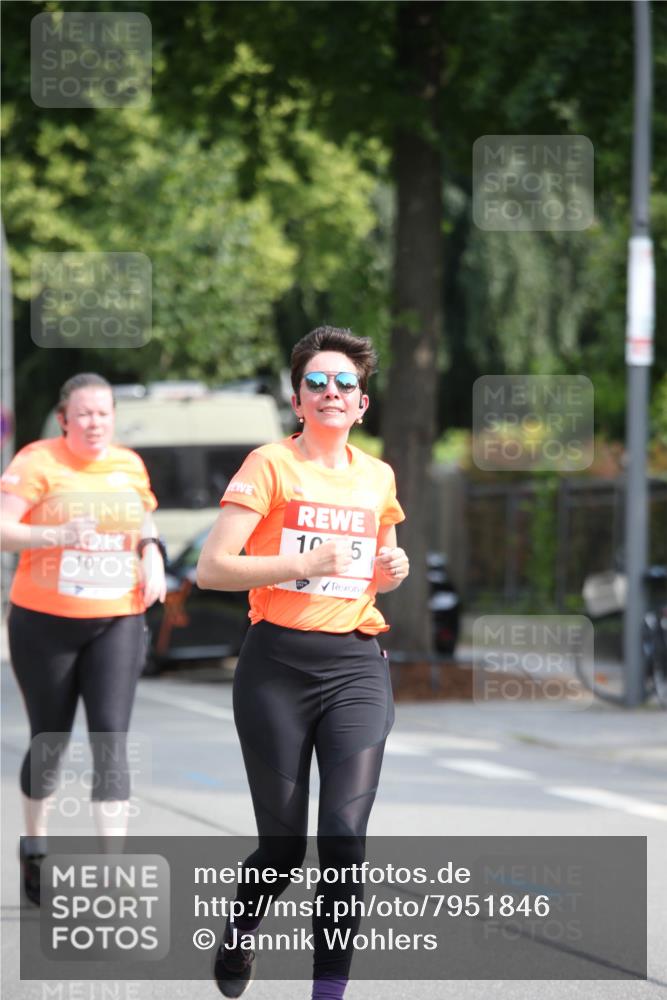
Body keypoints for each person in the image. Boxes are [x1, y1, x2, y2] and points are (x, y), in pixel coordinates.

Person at [197, 327, 409, 1000]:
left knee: (344, 839)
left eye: (344, 383)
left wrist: (392, 569)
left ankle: (328, 993)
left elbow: (377, 568)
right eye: (315, 382)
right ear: (297, 401)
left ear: (362, 404)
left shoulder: (378, 476)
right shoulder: (269, 465)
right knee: (284, 849)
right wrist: (301, 562)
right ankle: (240, 932)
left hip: (355, 666)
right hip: (276, 669)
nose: (330, 392)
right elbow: (212, 568)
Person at [0, 373, 166, 904]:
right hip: (44, 623)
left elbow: (145, 521)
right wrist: (55, 534)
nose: (95, 423)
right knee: (49, 741)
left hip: (117, 618)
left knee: (110, 741)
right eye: (85, 414)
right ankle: (35, 847)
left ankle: (112, 874)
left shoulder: (128, 464)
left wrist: (152, 553)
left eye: (104, 413)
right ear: (64, 419)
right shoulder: (37, 462)